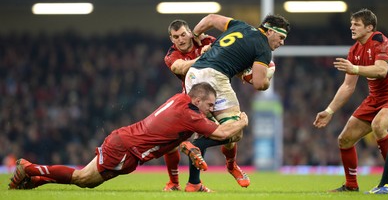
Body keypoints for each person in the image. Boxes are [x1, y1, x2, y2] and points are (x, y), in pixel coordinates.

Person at [8, 82, 249, 190]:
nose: (211, 109)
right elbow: (221, 133)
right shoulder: (191, 115)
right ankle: (30, 169)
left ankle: (36, 180)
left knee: (86, 179)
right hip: (126, 149)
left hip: (125, 141)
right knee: (84, 179)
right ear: (197, 100)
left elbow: (173, 141)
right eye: (209, 104)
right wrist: (241, 121)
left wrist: (187, 148)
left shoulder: (180, 99)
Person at [183, 13, 290, 192]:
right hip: (215, 78)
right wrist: (266, 79)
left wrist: (195, 37)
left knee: (204, 128)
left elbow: (210, 18)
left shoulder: (239, 25)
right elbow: (258, 83)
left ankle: (194, 183)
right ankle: (224, 162)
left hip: (194, 74)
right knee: (236, 129)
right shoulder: (263, 47)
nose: (282, 43)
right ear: (270, 31)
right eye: (281, 37)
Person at [313, 8, 388, 192]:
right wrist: (329, 111)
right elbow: (348, 86)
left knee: (378, 125)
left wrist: (356, 69)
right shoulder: (355, 50)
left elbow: (381, 70)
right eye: (351, 24)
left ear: (369, 28)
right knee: (344, 139)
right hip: (374, 99)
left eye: (356, 24)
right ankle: (351, 185)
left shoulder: (381, 42)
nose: (351, 27)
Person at [161, 19, 216, 191]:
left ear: (190, 33)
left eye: (183, 34)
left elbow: (227, 50)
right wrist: (204, 56)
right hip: (190, 102)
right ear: (171, 39)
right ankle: (176, 183)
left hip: (216, 98)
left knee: (229, 136)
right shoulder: (172, 55)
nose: (180, 39)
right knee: (169, 143)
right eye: (176, 37)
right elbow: (180, 68)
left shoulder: (207, 41)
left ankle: (230, 165)